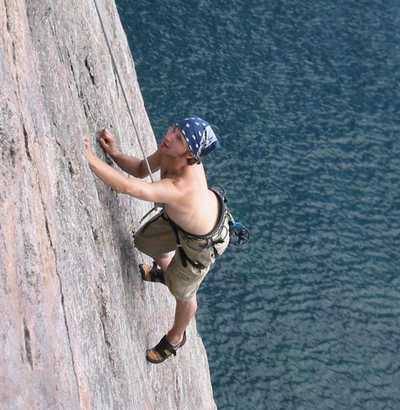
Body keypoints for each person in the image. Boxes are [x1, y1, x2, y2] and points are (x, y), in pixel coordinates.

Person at [83, 117, 230, 364]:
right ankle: (167, 271)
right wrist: (114, 153)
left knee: (183, 292)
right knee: (145, 242)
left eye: (180, 138)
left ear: (190, 155)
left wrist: (90, 159)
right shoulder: (170, 152)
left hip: (202, 243)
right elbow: (141, 169)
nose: (170, 136)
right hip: (180, 221)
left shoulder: (182, 186)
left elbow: (131, 187)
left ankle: (175, 338)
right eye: (175, 129)